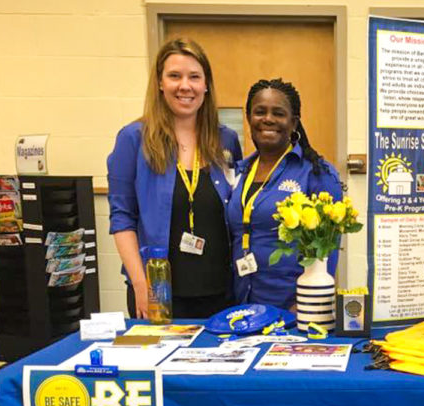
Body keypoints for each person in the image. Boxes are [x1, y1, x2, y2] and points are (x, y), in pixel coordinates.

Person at [107, 38, 242, 319]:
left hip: (221, 294)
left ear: (206, 85)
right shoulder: (133, 139)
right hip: (159, 294)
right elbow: (122, 218)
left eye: (194, 76)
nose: (185, 86)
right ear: (159, 82)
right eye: (174, 76)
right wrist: (141, 285)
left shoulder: (225, 140)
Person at [226, 78, 342, 310]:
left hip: (293, 308)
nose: (268, 119)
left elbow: (328, 247)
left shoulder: (316, 171)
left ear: (293, 122)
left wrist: (306, 304)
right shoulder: (239, 171)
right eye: (260, 112)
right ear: (249, 118)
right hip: (241, 305)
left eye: (278, 113)